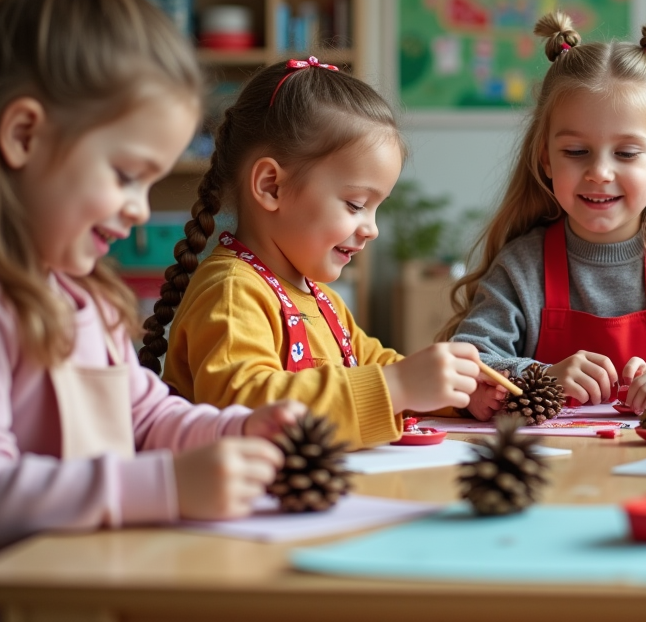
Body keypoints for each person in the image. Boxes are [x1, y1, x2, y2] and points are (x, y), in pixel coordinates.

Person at [0, 0, 301, 559]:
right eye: (125, 175)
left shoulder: (83, 299)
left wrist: (241, 428)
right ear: (22, 136)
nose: (136, 210)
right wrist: (163, 487)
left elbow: (149, 418)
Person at [441, 11, 646, 420]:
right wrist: (541, 377)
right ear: (546, 159)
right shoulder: (522, 266)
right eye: (576, 152)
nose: (600, 172)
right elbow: (467, 362)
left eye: (626, 153)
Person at [146, 56, 484, 448]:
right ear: (272, 186)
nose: (372, 229)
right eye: (356, 205)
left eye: (377, 208)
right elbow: (246, 408)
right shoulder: (232, 291)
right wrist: (398, 386)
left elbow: (374, 366)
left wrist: (453, 394)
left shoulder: (323, 301)